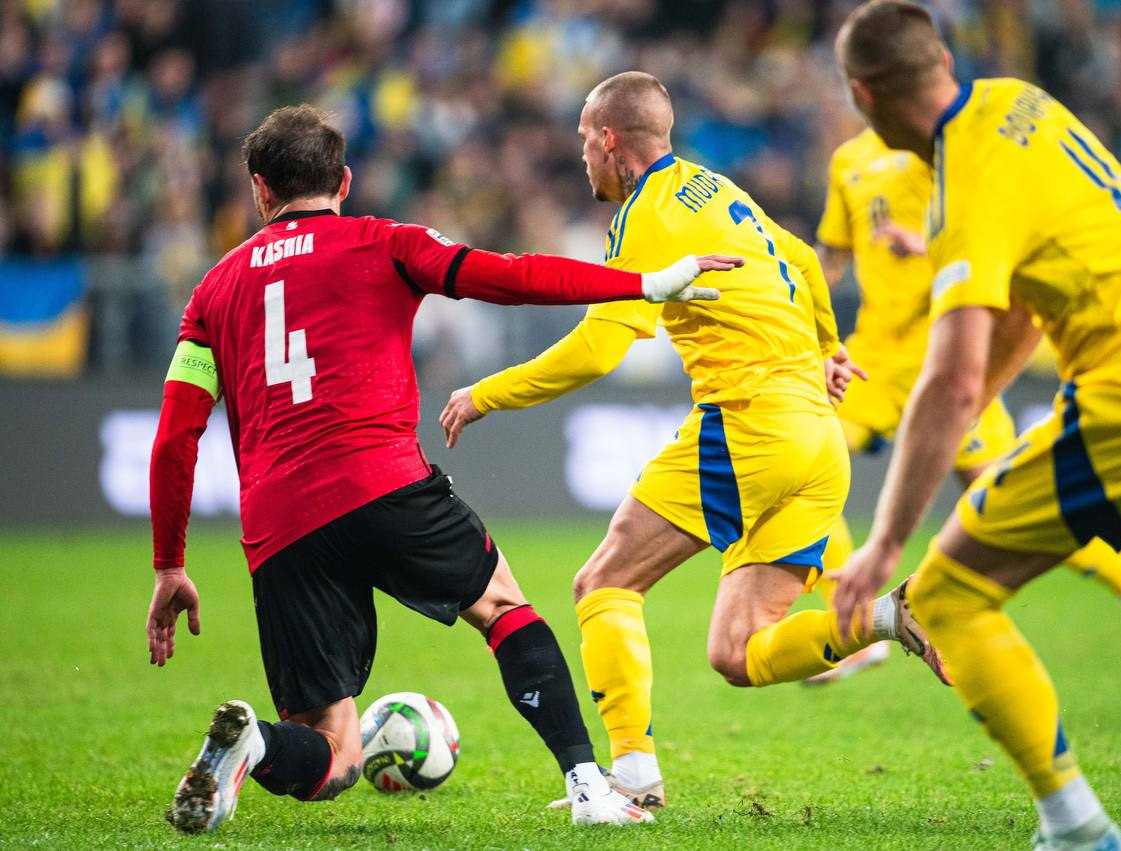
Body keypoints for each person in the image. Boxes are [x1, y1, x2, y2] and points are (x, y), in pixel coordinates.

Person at [145, 104, 735, 834]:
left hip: (280, 521)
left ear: (260, 190)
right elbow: (509, 276)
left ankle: (258, 742)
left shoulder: (211, 292)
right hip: (382, 480)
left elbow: (176, 435)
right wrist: (643, 284)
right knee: (502, 607)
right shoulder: (385, 242)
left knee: (334, 754)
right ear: (346, 180)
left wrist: (170, 562)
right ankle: (589, 786)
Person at [829, 3, 1121, 850]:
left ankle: (1075, 828)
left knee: (945, 594)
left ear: (865, 95)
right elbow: (1023, 320)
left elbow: (954, 375)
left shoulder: (965, 179)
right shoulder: (1022, 101)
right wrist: (974, 397)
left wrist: (885, 541)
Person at [438, 71, 948, 812]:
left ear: (610, 141)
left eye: (585, 140)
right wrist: (830, 347)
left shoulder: (644, 215)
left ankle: (633, 777)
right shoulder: (716, 187)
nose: (582, 157)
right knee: (736, 652)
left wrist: (486, 392)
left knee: (603, 582)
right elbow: (804, 262)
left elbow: (598, 348)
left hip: (749, 424)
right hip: (816, 436)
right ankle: (886, 616)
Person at [807, 125, 1121, 684]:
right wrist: (798, 282)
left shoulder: (942, 147)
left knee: (1003, 503)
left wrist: (925, 243)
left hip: (951, 355)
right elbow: (832, 255)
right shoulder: (847, 160)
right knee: (806, 460)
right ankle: (857, 624)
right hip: (874, 360)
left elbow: (996, 235)